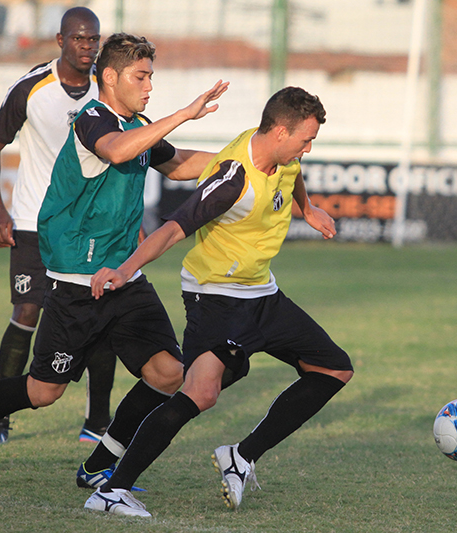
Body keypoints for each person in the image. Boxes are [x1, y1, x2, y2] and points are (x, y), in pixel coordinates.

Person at [0, 33, 229, 483]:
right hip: (76, 283)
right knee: (43, 391)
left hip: (124, 276)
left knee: (168, 373)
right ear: (110, 77)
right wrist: (184, 113)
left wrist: (241, 159)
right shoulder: (91, 118)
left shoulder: (138, 125)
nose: (149, 86)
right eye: (140, 76)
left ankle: (99, 465)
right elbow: (117, 150)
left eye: (151, 77)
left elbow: (179, 163)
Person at [83, 87, 354, 517]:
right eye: (305, 139)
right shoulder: (233, 179)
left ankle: (241, 457)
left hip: (262, 293)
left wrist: (307, 208)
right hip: (216, 299)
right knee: (200, 393)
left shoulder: (281, 153)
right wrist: (126, 268)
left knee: (334, 368)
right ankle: (112, 490)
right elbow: (174, 229)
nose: (308, 148)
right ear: (280, 132)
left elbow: (293, 172)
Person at [0, 7, 114, 444]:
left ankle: (97, 423)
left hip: (90, 227)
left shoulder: (109, 89)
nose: (88, 46)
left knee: (100, 313)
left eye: (93, 39)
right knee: (27, 311)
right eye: (79, 39)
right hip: (35, 222)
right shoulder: (32, 88)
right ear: (60, 41)